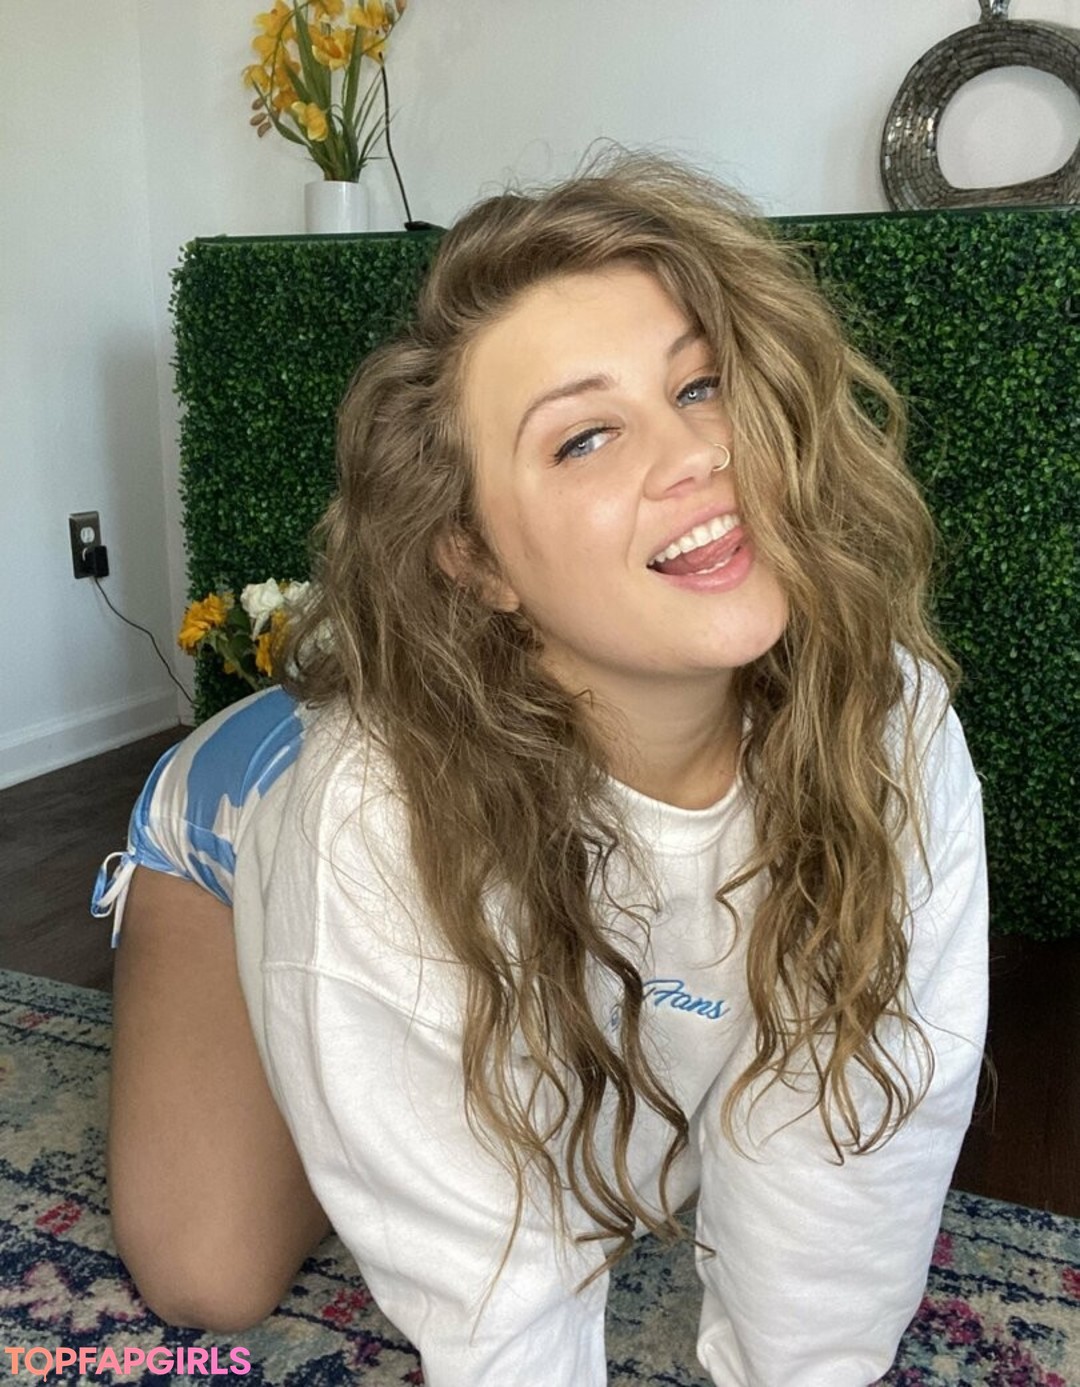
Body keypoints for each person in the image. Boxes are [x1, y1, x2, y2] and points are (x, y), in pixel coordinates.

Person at [93, 152, 988, 1387]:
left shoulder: (887, 714)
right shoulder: (368, 810)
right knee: (212, 1271)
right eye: (584, 438)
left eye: (702, 384)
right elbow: (493, 1292)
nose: (696, 453)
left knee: (621, 1133)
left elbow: (853, 1134)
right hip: (241, 818)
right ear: (475, 558)